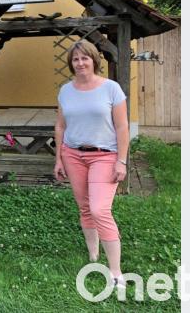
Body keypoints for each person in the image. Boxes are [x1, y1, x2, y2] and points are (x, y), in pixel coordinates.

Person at [52, 40, 130, 290]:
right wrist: (58, 159)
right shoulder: (66, 90)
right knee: (85, 208)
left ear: (94, 60)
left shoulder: (111, 89)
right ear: (71, 64)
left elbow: (122, 127)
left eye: (85, 58)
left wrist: (122, 160)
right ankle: (93, 256)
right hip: (73, 154)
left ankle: (115, 271)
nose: (80, 63)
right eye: (75, 59)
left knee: (99, 210)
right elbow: (61, 126)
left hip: (104, 155)